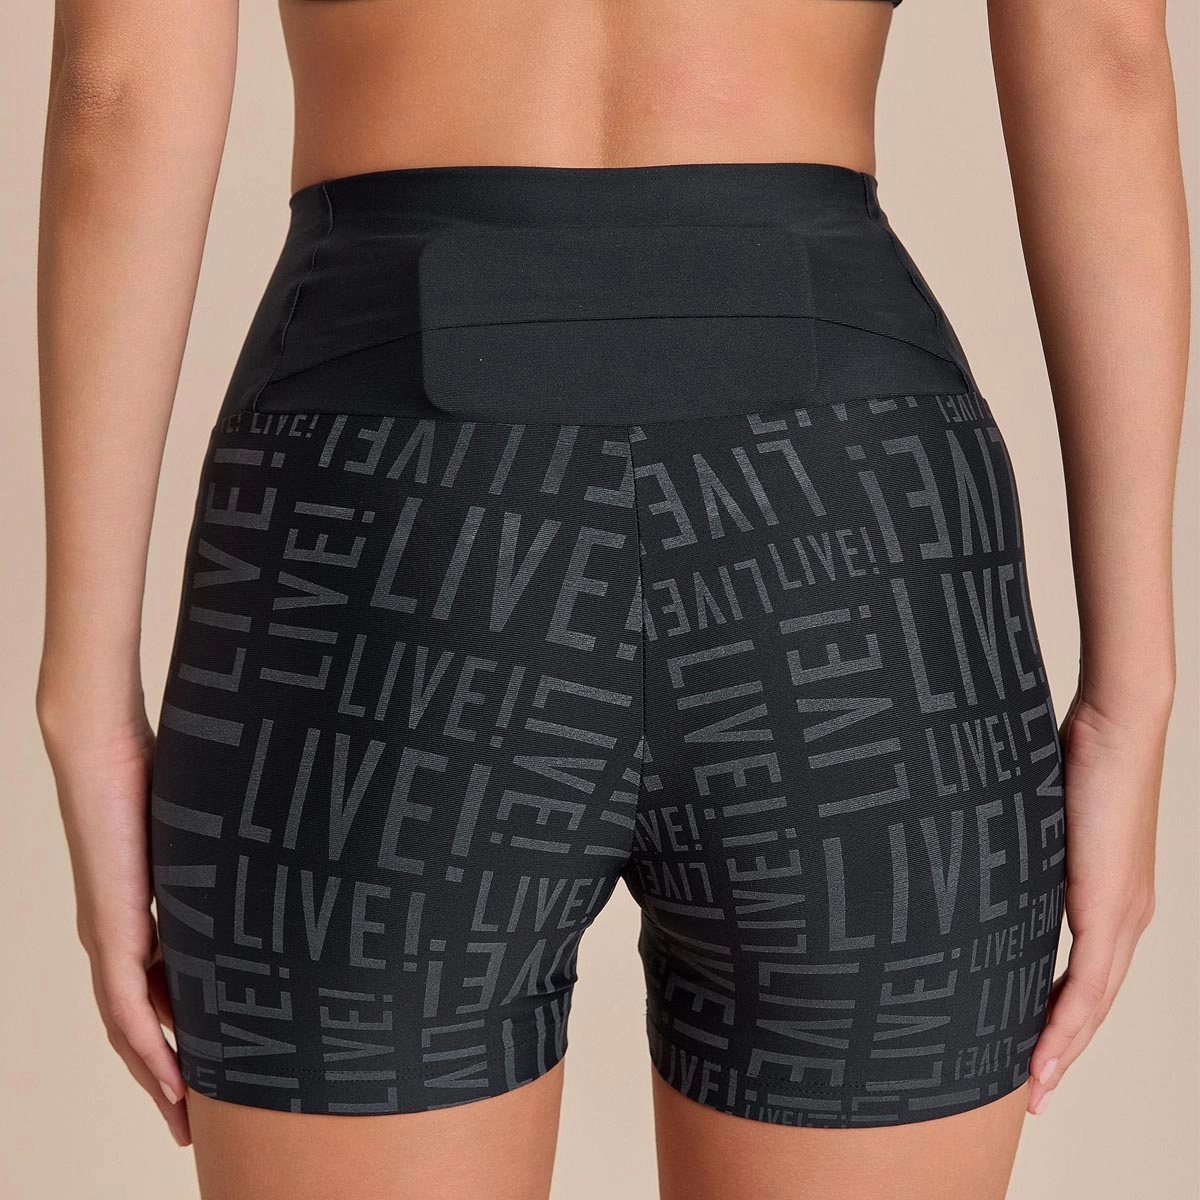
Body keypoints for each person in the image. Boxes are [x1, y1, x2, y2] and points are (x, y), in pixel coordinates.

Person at [35, 0, 1187, 1197]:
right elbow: (1103, 65)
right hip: (843, 532)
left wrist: (88, 706)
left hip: (388, 524)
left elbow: (119, 96)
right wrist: (1131, 699)